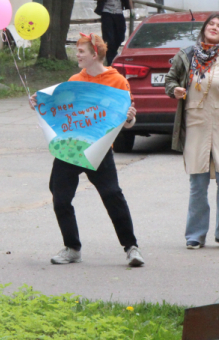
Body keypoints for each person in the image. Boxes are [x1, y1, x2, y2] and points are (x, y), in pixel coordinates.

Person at [30, 33, 145, 267]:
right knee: (60, 198)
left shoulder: (117, 81)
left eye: (81, 51)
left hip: (99, 149)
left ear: (95, 55)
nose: (77, 55)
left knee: (112, 195)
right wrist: (40, 104)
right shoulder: (74, 80)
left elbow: (128, 122)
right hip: (71, 148)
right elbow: (62, 113)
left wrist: (129, 118)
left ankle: (131, 248)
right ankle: (72, 248)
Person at [164, 14, 219, 250]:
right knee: (198, 184)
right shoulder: (186, 56)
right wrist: (174, 90)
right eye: (211, 24)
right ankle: (195, 235)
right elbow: (170, 81)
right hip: (195, 124)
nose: (214, 28)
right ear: (204, 29)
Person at [92, 0, 132, 65]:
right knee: (109, 38)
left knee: (121, 35)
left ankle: (113, 53)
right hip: (107, 12)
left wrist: (131, 8)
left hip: (118, 11)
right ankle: (111, 61)